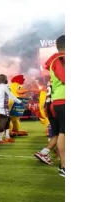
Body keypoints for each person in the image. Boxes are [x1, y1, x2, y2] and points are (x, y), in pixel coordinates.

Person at [43, 35, 65, 177]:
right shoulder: (60, 59)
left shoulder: (58, 59)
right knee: (64, 134)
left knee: (62, 133)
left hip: (60, 101)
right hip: (63, 101)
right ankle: (64, 167)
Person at [0, 74, 22, 144]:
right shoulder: (5, 87)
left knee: (8, 120)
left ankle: (7, 137)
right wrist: (20, 102)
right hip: (3, 107)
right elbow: (11, 96)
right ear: (5, 79)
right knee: (3, 121)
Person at [34, 81, 57, 165]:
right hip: (57, 108)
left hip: (49, 108)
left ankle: (44, 152)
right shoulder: (61, 79)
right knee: (61, 133)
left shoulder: (50, 83)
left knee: (57, 134)